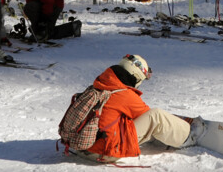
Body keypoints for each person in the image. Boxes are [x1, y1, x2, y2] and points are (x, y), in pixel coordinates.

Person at [75, 54, 205, 163]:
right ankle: (188, 135)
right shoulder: (123, 93)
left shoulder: (101, 85)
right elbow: (147, 116)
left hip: (82, 147)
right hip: (103, 152)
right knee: (156, 116)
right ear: (136, 76)